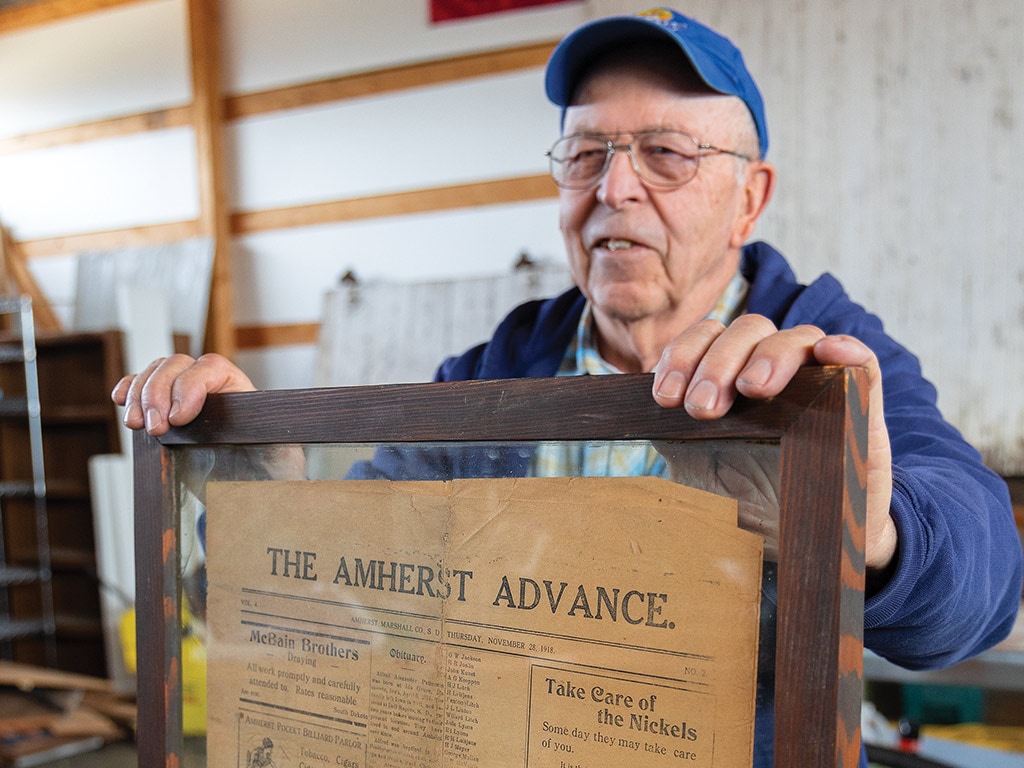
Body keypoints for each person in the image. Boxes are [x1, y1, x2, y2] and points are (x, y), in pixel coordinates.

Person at [113, 8, 1023, 766]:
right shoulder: (494, 373)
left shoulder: (825, 361)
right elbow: (354, 608)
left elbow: (983, 590)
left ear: (751, 198)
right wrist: (261, 508)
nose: (615, 187)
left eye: (666, 153)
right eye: (585, 156)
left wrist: (871, 533)